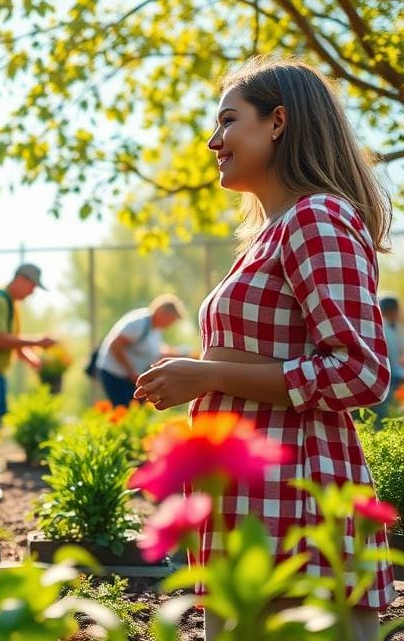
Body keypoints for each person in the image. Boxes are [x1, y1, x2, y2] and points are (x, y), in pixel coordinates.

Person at [133, 58, 394, 639]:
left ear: (278, 122)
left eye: (228, 121)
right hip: (255, 509)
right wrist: (203, 372)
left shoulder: (317, 218)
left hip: (297, 512)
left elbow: (362, 372)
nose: (213, 140)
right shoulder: (274, 231)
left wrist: (207, 376)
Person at [0, 264, 55, 423]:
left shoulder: (11, 305)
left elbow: (15, 343)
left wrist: (37, 363)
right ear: (21, 279)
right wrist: (38, 342)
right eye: (32, 286)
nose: (32, 292)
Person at [95, 294, 185, 407]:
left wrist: (181, 354)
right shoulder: (140, 323)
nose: (170, 325)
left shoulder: (155, 329)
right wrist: (131, 371)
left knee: (135, 409)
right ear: (162, 312)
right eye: (170, 320)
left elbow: (156, 351)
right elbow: (115, 345)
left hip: (129, 378)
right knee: (124, 410)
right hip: (115, 375)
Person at [376, 295, 404, 419]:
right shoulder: (382, 329)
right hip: (388, 377)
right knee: (385, 414)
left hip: (396, 376)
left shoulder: (396, 328)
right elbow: (390, 356)